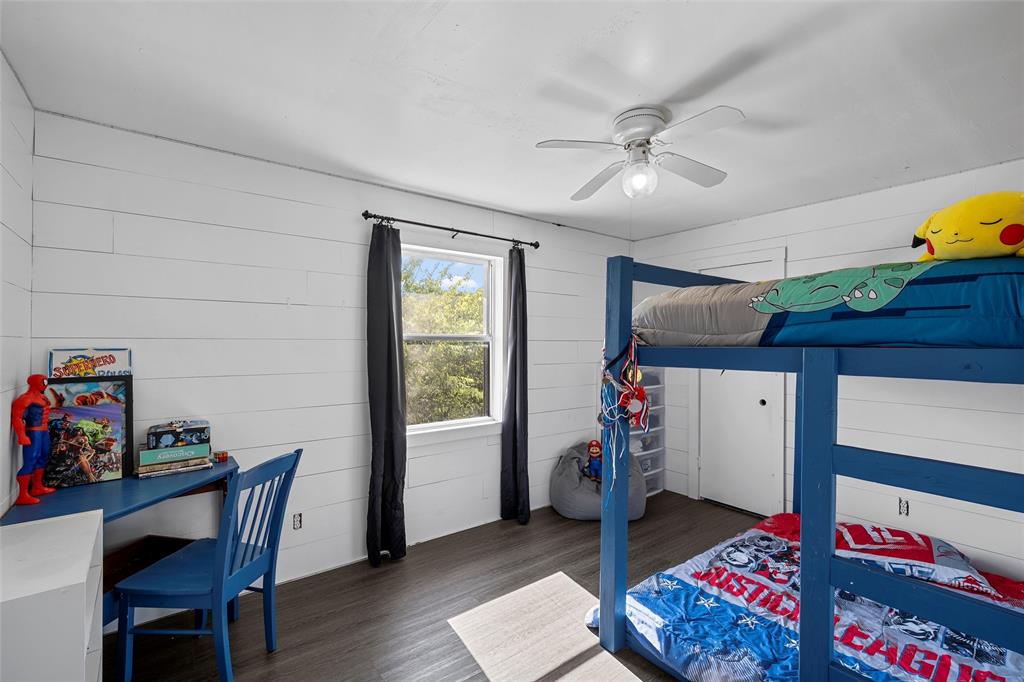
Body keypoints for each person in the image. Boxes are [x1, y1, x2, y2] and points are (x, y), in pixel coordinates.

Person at [11, 375, 56, 504]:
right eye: (43, 381)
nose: (45, 383)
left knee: (43, 456)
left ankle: (37, 487)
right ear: (36, 382)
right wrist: (22, 435)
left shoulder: (43, 397)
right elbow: (17, 417)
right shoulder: (26, 398)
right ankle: (23, 495)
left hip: (43, 431)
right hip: (33, 432)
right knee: (31, 459)